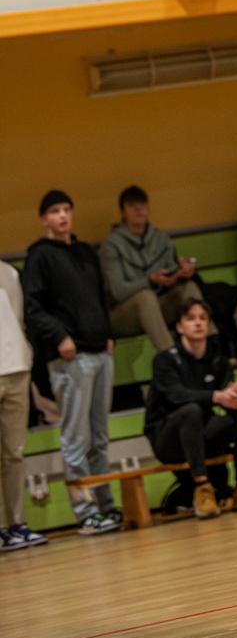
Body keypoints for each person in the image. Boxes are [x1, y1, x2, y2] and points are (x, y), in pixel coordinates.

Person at [21, 190, 119, 536]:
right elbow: (32, 309)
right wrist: (60, 336)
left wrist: (108, 332)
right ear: (44, 218)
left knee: (100, 437)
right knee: (76, 439)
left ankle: (106, 504)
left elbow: (100, 297)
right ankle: (84, 511)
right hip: (71, 358)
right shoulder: (39, 256)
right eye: (54, 211)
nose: (62, 215)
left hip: (100, 352)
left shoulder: (85, 252)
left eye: (66, 209)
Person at [145, 299, 237, 519]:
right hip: (167, 438)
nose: (198, 323)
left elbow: (227, 394)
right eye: (191, 319)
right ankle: (202, 488)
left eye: (203, 318)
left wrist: (235, 398)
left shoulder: (219, 361)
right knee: (191, 410)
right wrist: (216, 396)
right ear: (180, 326)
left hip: (201, 433)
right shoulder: (164, 360)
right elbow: (177, 396)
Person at [99, 185, 203, 352]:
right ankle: (171, 357)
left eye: (142, 205)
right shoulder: (111, 245)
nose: (139, 210)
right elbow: (118, 291)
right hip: (123, 314)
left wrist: (180, 273)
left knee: (189, 288)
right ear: (123, 213)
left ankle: (208, 350)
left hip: (158, 305)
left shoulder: (161, 238)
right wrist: (150, 281)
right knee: (145, 297)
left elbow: (171, 272)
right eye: (132, 206)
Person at [0, 260, 47, 551]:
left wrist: (25, 358)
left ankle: (17, 522)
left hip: (16, 368)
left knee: (14, 453)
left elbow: (18, 319)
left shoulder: (8, 272)